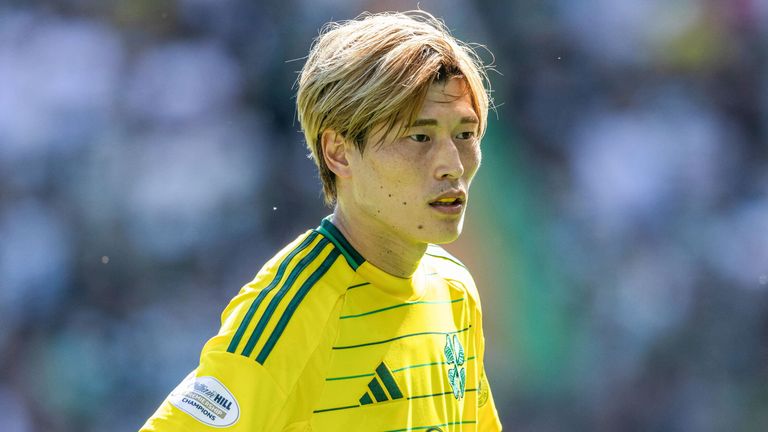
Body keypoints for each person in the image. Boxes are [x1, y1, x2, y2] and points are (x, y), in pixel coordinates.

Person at [141, 10, 502, 431]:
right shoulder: (293, 309)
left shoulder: (454, 290)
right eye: (419, 137)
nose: (452, 165)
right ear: (339, 152)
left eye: (465, 134)